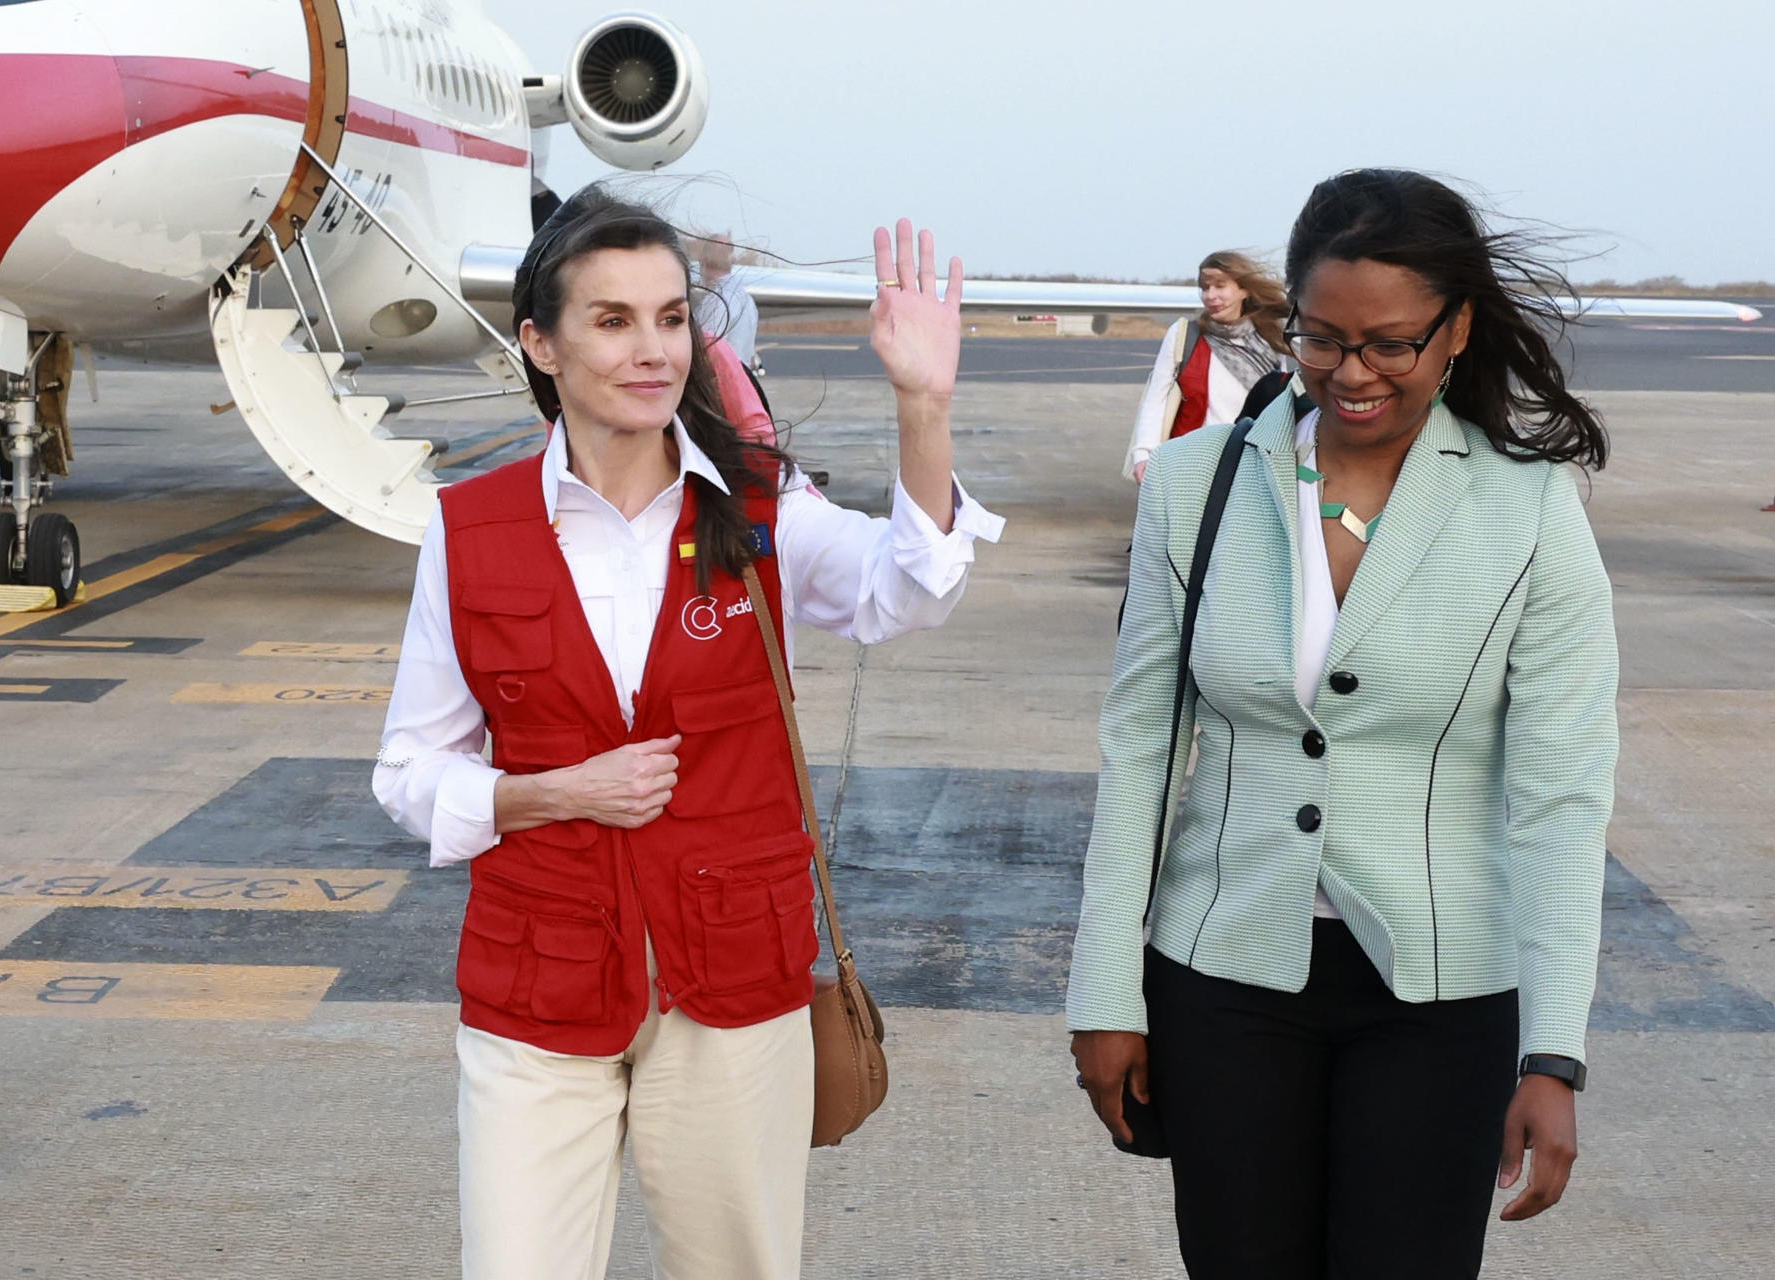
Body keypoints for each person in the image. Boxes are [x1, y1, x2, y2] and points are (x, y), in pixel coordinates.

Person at [371, 186, 1002, 1280]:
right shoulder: (468, 529)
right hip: (539, 984)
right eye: (613, 320)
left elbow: (907, 590)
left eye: (670, 318)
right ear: (541, 344)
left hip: (734, 976)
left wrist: (923, 406)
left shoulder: (760, 508)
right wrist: (548, 792)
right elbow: (410, 770)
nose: (652, 349)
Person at [1069, 168, 1619, 1279]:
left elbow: (1562, 795)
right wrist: (1104, 990)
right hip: (1222, 973)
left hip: (1443, 991)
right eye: (1321, 339)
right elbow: (1141, 749)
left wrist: (1554, 1052)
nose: (1351, 373)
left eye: (1390, 345)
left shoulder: (1529, 506)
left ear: (1457, 329)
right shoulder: (1193, 484)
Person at [1123, 251, 1290, 483]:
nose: (1210, 296)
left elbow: (1281, 407)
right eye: (1205, 287)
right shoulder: (1185, 335)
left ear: (1244, 290)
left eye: (1220, 286)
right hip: (1190, 463)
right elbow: (1156, 397)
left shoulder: (1270, 341)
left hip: (1249, 466)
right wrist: (1143, 453)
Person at [693, 232, 761, 368]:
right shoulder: (747, 299)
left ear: (703, 262)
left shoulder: (717, 300)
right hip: (741, 376)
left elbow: (706, 352)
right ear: (732, 261)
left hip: (721, 377)